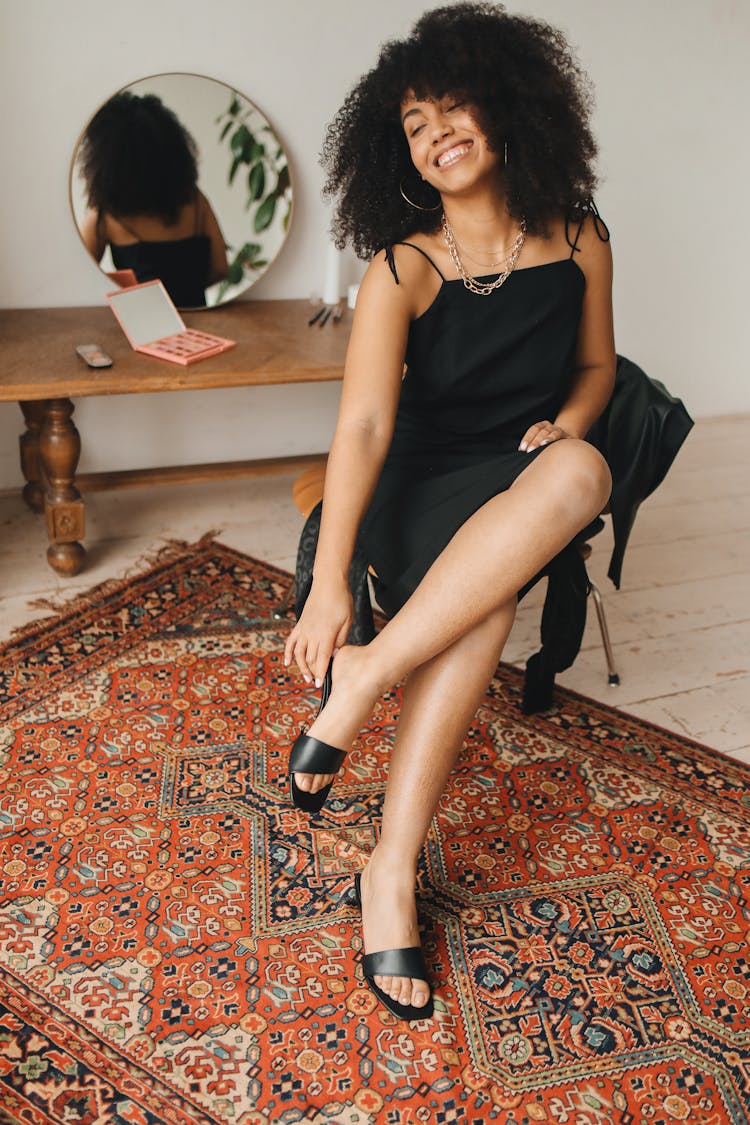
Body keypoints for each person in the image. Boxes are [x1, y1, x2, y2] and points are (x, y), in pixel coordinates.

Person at [284, 2, 615, 1022]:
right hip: (416, 489)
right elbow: (366, 433)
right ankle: (389, 869)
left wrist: (567, 421)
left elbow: (597, 367)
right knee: (491, 607)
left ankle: (370, 682)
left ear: (510, 106)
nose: (435, 134)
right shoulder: (402, 269)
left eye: (451, 107)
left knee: (581, 469)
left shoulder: (581, 235)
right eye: (414, 123)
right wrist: (330, 581)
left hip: (513, 484)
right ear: (401, 150)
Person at [78, 91, 228, 307]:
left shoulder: (106, 216)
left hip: (140, 328)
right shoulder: (194, 201)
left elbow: (79, 278)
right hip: (197, 322)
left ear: (106, 162)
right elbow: (220, 268)